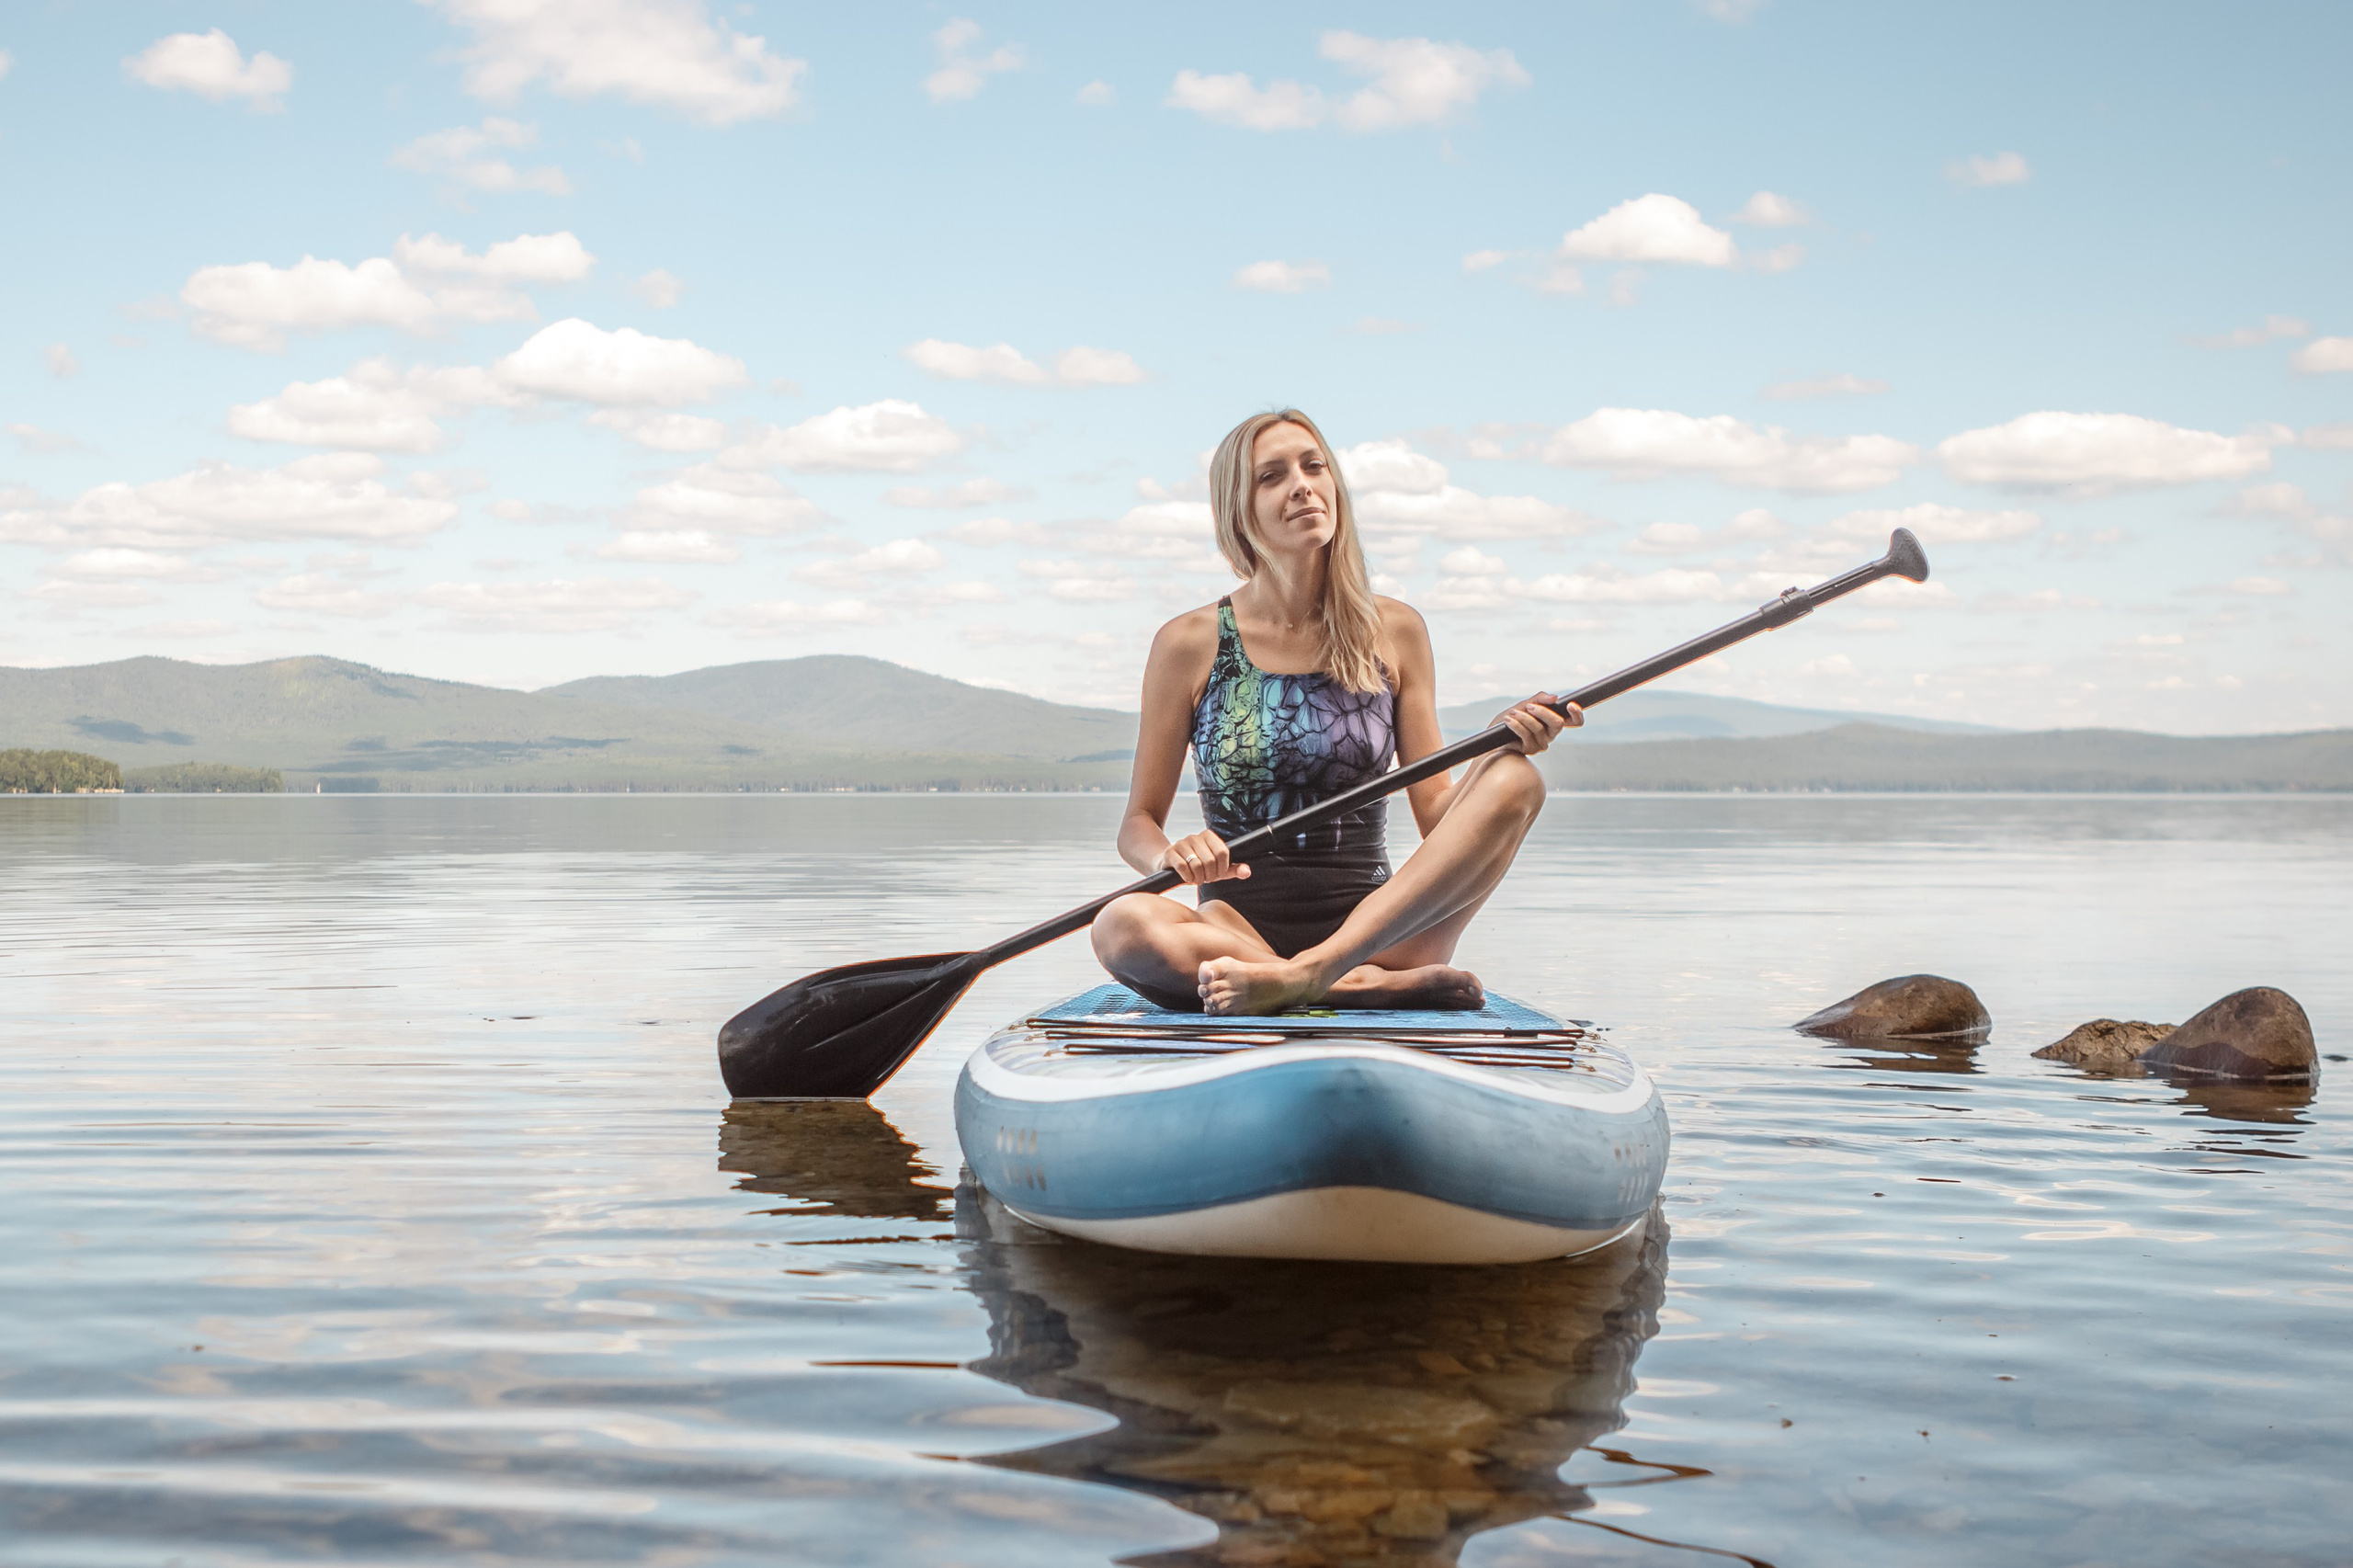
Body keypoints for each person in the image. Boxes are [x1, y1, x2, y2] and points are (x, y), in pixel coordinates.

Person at [1090, 408, 1579, 1017]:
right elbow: (1136, 822)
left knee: (1516, 777)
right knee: (1119, 925)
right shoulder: (1189, 643)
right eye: (1271, 476)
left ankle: (1316, 975)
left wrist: (1495, 746)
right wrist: (1168, 856)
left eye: (1313, 465)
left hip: (1383, 938)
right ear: (1239, 511)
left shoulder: (1394, 630)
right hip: (1236, 938)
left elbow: (1438, 816)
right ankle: (1345, 989)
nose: (1302, 485)